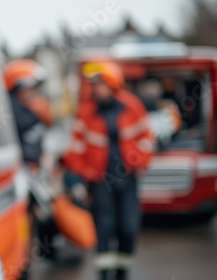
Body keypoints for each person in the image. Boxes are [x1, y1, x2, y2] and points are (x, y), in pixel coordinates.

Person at [62, 61, 155, 280]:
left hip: (128, 179)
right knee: (104, 228)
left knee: (129, 227)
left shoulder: (132, 106)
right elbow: (75, 150)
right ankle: (104, 274)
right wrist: (81, 175)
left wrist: (138, 160)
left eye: (100, 85)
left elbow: (147, 138)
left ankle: (122, 272)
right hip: (100, 183)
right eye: (93, 86)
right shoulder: (86, 113)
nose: (96, 90)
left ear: (113, 85)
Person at [3, 59, 56, 261]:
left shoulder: (30, 109)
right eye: (30, 88)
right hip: (21, 173)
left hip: (33, 172)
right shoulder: (15, 110)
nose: (34, 93)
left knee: (41, 214)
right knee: (32, 217)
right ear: (18, 87)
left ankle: (43, 252)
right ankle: (30, 259)